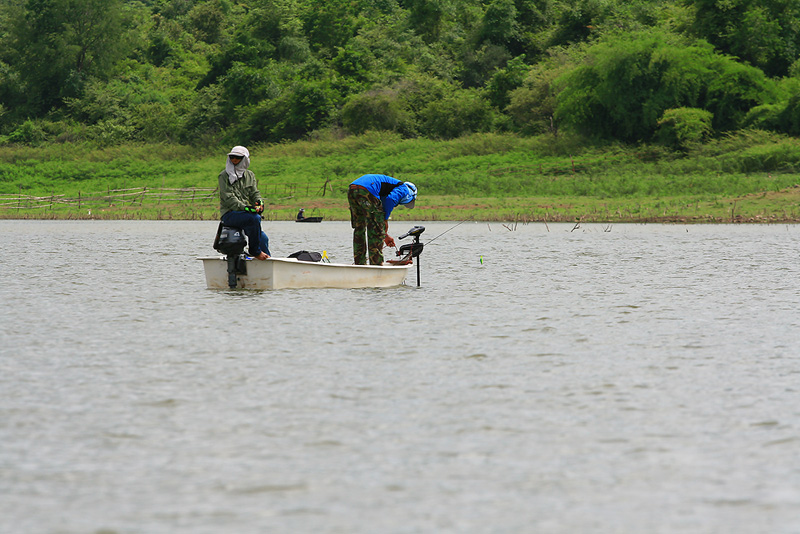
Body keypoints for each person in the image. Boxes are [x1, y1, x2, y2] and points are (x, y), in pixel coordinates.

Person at [347, 174, 417, 265]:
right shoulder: (404, 188)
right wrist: (385, 220)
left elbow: (377, 214)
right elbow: (390, 200)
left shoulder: (387, 189)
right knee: (375, 231)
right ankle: (376, 264)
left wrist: (385, 235)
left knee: (359, 228)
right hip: (368, 189)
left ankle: (359, 263)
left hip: (352, 189)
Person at [218, 146, 271, 260]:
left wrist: (259, 203)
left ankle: (267, 262)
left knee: (263, 238)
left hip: (244, 215)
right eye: (232, 157)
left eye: (238, 157)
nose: (234, 160)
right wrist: (246, 208)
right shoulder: (224, 176)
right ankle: (255, 251)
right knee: (254, 218)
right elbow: (229, 198)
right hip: (230, 214)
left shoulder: (250, 175)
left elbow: (254, 193)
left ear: (245, 159)